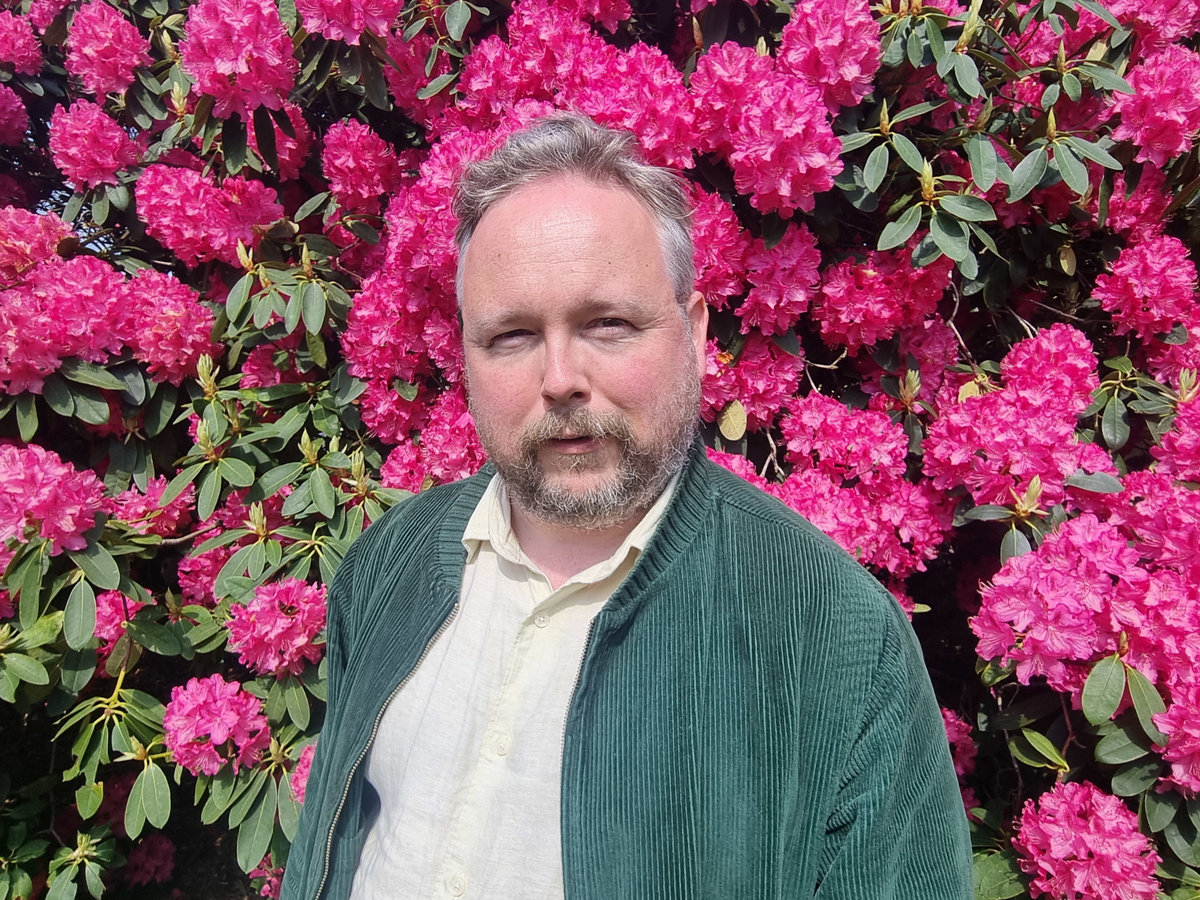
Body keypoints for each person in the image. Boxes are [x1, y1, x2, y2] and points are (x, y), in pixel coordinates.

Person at [280, 113, 973, 900]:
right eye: (510, 336)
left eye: (607, 324)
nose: (560, 377)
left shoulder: (833, 634)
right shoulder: (390, 559)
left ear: (695, 331)